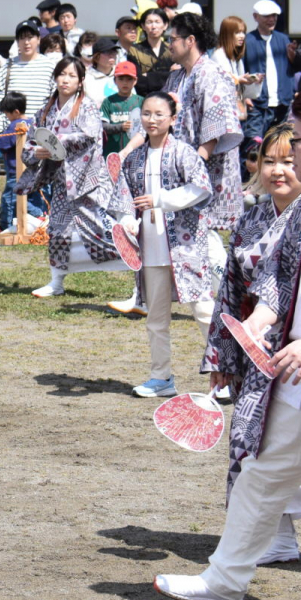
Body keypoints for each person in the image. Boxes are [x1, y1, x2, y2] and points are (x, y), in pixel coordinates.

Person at [154, 85, 301, 600]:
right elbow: (281, 277)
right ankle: (224, 581)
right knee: (261, 473)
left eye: (298, 141)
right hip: (297, 373)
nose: (286, 154)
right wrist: (262, 317)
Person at [199, 124, 301, 563]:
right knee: (253, 442)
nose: (278, 170)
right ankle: (276, 538)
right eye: (269, 160)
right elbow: (230, 290)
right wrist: (222, 354)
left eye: (289, 160)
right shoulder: (251, 216)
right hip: (256, 348)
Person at [118, 92, 214, 398]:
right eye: (146, 113)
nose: (152, 119)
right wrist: (126, 220)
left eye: (159, 114)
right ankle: (161, 377)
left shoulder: (185, 152)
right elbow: (123, 199)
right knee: (156, 317)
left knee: (204, 310)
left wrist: (160, 200)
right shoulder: (134, 158)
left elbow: (200, 188)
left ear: (173, 119)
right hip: (151, 247)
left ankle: (226, 374)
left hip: (185, 245)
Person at [22, 58, 131, 298]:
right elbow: (31, 141)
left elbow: (88, 136)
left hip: (87, 181)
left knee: (99, 230)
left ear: (81, 81)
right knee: (58, 232)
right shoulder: (46, 110)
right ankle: (56, 281)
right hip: (62, 182)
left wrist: (54, 144)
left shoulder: (88, 106)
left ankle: (139, 272)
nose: (65, 79)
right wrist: (37, 151)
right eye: (62, 74)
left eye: (71, 75)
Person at [164, 12, 245, 271]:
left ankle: (224, 292)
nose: (169, 44)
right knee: (189, 228)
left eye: (172, 39)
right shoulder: (178, 75)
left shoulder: (211, 73)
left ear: (190, 40)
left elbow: (217, 122)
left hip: (206, 164)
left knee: (203, 227)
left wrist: (198, 163)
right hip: (181, 161)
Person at [0, 92, 46, 236]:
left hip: (16, 171)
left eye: (7, 114)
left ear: (16, 112)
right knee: (33, 195)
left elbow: (3, 144)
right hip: (34, 169)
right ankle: (38, 222)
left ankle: (6, 227)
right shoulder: (33, 123)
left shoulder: (16, 126)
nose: (7, 117)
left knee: (10, 199)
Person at [0, 20, 57, 136]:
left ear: (38, 39)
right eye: (22, 38)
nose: (26, 42)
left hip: (41, 135)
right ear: (17, 42)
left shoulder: (50, 66)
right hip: (11, 135)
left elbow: (55, 102)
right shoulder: (7, 66)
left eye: (30, 37)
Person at [242, 0, 294, 143]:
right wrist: (244, 96)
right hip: (258, 104)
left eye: (274, 16)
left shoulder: (284, 40)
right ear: (255, 17)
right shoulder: (248, 41)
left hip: (282, 103)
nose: (271, 20)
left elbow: (291, 68)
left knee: (281, 146)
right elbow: (241, 70)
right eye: (266, 16)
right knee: (252, 147)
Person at [210, 15, 259, 124]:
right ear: (227, 34)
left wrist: (252, 81)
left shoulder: (235, 58)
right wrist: (238, 80)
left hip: (234, 114)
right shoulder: (218, 56)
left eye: (243, 32)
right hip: (222, 116)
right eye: (237, 33)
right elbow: (219, 84)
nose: (242, 36)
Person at [100, 62, 142, 157]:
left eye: (129, 79)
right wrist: (120, 127)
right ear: (115, 81)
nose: (125, 83)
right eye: (121, 79)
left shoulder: (141, 101)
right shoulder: (108, 101)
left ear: (135, 81)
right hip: (113, 152)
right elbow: (102, 125)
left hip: (136, 152)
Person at [128, 8, 172, 97]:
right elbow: (138, 82)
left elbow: (178, 77)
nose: (153, 26)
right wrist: (168, 74)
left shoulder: (172, 49)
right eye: (149, 22)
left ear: (165, 25)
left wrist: (148, 76)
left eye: (157, 22)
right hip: (145, 99)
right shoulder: (134, 50)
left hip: (170, 99)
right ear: (143, 26)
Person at [84, 37, 119, 105]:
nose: (111, 55)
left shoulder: (121, 74)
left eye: (114, 51)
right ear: (96, 57)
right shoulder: (86, 78)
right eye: (106, 52)